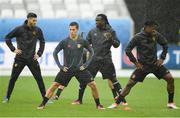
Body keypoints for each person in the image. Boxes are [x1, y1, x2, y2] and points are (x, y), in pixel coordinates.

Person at [108, 20, 179, 109]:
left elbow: (165, 44)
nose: (154, 30)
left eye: (155, 28)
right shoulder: (138, 37)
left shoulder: (155, 35)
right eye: (153, 28)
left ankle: (171, 103)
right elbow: (128, 50)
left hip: (155, 65)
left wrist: (162, 58)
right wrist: (135, 62)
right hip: (143, 66)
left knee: (170, 78)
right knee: (130, 84)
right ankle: (116, 103)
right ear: (147, 27)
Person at [37, 22, 105, 110]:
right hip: (67, 69)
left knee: (93, 85)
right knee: (54, 85)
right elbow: (55, 53)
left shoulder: (82, 41)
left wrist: (86, 64)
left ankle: (98, 105)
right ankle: (43, 103)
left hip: (80, 69)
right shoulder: (65, 41)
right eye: (70, 29)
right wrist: (60, 66)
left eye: (73, 29)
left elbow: (91, 51)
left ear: (77, 30)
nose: (71, 31)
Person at [67, 14, 127, 105]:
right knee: (84, 80)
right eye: (95, 20)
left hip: (106, 60)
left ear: (104, 21)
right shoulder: (92, 31)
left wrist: (111, 39)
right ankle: (79, 100)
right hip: (94, 60)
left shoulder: (111, 31)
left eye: (98, 20)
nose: (96, 22)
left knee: (113, 79)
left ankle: (122, 101)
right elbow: (86, 44)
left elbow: (117, 45)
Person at [2, 12, 46, 103]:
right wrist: (13, 49)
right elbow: (7, 37)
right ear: (29, 19)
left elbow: (42, 41)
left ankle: (45, 98)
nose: (35, 22)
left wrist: (39, 53)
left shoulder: (37, 30)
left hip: (32, 59)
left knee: (39, 78)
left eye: (36, 20)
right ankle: (7, 97)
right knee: (13, 78)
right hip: (20, 59)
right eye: (34, 20)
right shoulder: (19, 29)